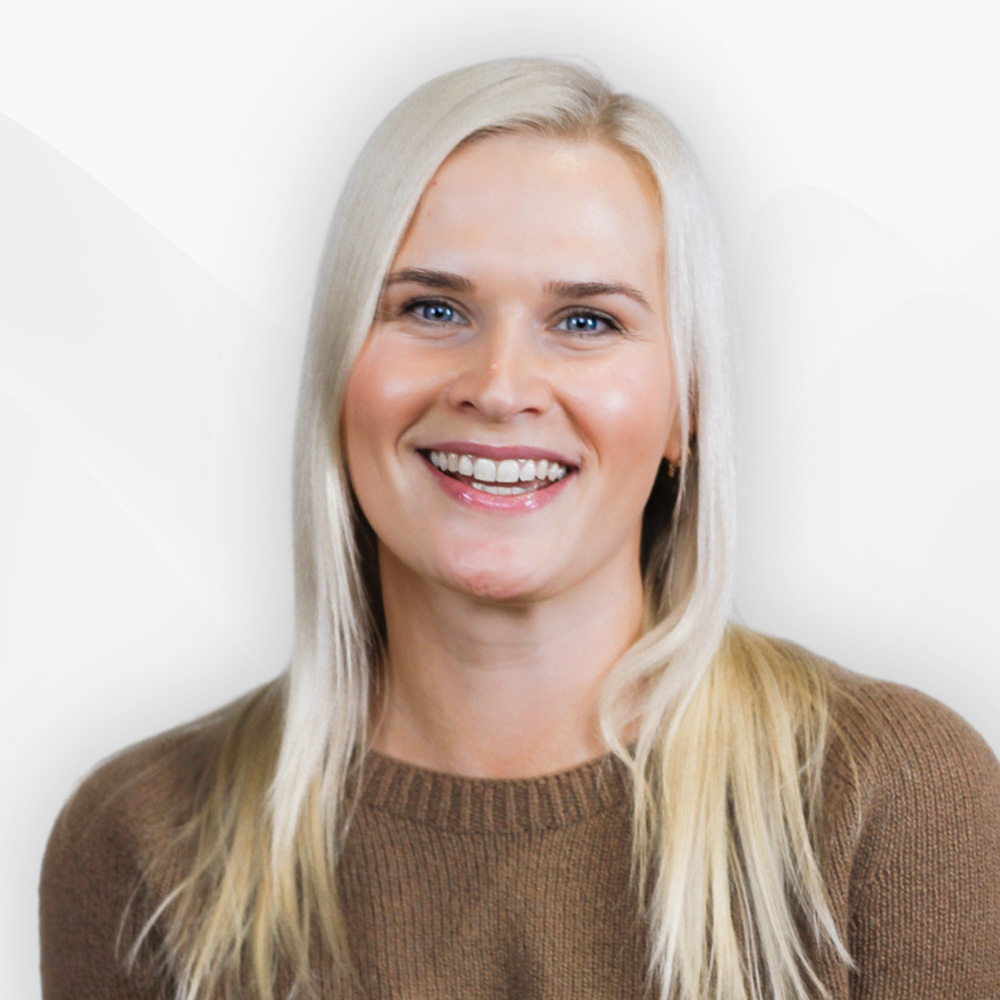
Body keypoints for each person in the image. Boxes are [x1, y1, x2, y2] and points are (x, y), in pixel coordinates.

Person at [39, 56, 1000, 1000]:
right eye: (432, 308)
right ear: (338, 371)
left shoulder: (892, 797)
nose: (499, 389)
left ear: (688, 407)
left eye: (585, 322)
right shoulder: (144, 840)